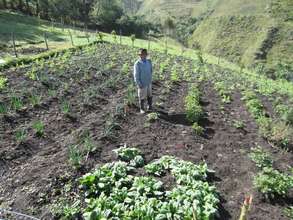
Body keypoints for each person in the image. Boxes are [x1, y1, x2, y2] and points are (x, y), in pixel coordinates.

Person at [133, 48, 153, 114]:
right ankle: (142, 109)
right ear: (140, 55)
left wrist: (150, 78)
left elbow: (151, 70)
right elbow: (136, 75)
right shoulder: (137, 64)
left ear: (146, 55)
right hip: (142, 83)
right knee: (142, 96)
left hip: (148, 82)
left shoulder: (149, 61)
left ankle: (150, 106)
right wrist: (138, 83)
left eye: (144, 55)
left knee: (149, 95)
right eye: (141, 55)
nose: (143, 56)